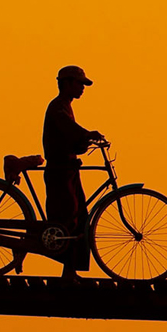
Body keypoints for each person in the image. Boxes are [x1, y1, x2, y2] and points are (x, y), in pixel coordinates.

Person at [42, 65, 106, 278]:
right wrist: (88, 135)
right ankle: (67, 270)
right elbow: (69, 129)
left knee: (78, 218)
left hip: (68, 170)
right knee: (68, 218)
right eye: (79, 83)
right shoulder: (58, 107)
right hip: (60, 171)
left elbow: (71, 136)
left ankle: (69, 269)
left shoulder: (65, 106)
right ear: (67, 83)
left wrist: (84, 139)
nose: (82, 88)